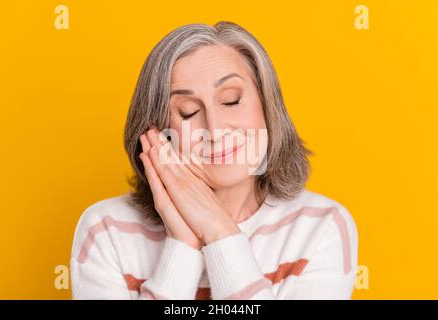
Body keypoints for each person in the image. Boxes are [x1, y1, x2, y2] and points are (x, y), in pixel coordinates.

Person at [70, 21, 358, 300]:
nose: (216, 129)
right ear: (156, 134)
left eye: (231, 100)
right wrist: (183, 246)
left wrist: (220, 233)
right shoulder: (106, 231)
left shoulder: (322, 227)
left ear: (267, 107)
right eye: (188, 111)